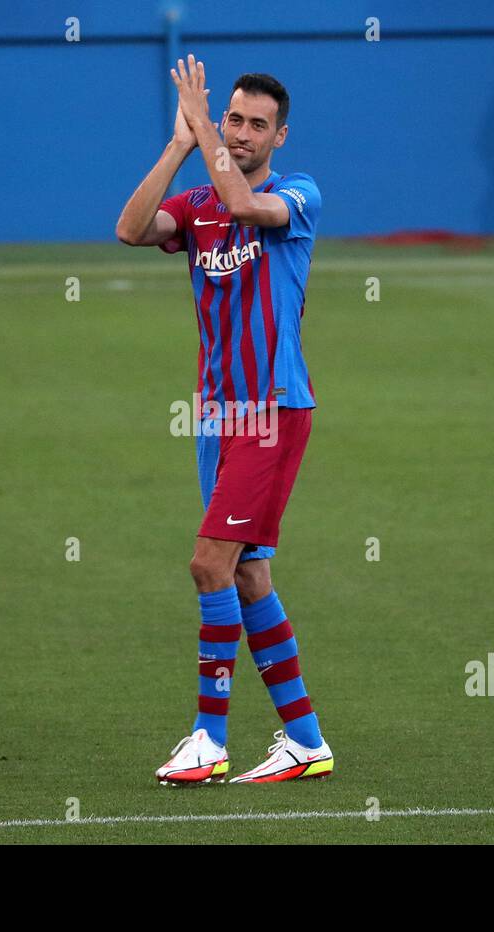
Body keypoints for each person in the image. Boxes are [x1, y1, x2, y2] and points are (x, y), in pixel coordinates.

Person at [115, 55, 332, 784]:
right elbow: (130, 228)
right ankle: (304, 738)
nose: (240, 133)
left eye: (254, 124)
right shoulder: (198, 203)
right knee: (247, 574)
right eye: (233, 118)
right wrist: (180, 143)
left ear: (280, 136)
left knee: (209, 561)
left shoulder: (296, 196)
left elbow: (248, 208)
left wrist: (201, 124)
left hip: (271, 412)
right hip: (219, 415)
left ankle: (209, 737)